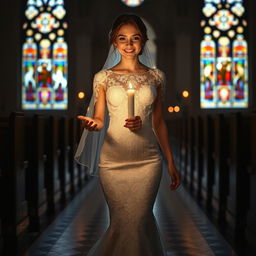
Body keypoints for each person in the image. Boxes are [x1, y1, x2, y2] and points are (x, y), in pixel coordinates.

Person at [76, 13, 180, 256]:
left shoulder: (156, 77)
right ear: (114, 42)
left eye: (135, 38)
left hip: (148, 161)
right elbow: (100, 118)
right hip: (113, 160)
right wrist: (94, 124)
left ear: (143, 41)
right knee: (123, 223)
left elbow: (159, 122)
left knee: (140, 221)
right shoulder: (102, 78)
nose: (129, 44)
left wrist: (171, 162)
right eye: (122, 38)